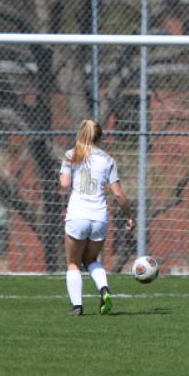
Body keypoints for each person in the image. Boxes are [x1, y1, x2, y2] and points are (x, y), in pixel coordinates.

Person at [60, 119, 136, 316]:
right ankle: (104, 289)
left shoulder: (71, 155)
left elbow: (64, 184)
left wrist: (65, 171)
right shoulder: (108, 159)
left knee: (73, 262)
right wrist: (129, 216)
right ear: (100, 137)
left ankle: (77, 306)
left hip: (77, 215)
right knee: (91, 259)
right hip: (99, 217)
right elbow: (118, 194)